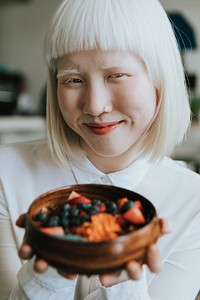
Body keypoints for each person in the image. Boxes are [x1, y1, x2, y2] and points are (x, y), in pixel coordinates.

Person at [0, 0, 200, 299]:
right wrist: (49, 274)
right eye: (73, 80)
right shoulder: (4, 172)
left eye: (116, 75)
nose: (95, 106)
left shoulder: (193, 202)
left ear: (160, 80)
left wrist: (123, 282)